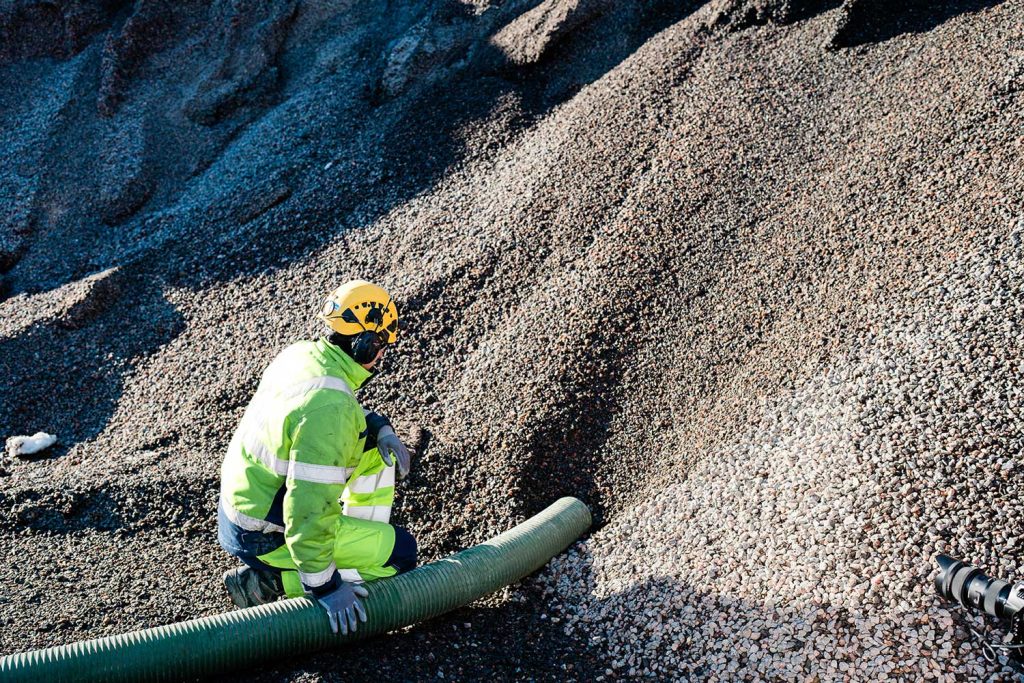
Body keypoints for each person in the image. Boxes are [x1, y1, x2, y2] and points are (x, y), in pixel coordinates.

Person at [217, 280, 416, 635]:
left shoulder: (303, 354)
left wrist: (379, 426)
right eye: (382, 344)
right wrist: (325, 586)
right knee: (400, 555)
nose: (383, 355)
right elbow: (306, 510)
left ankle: (350, 541)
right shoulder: (331, 409)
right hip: (263, 532)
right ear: (365, 343)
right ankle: (270, 582)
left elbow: (323, 408)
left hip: (244, 504)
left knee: (375, 453)